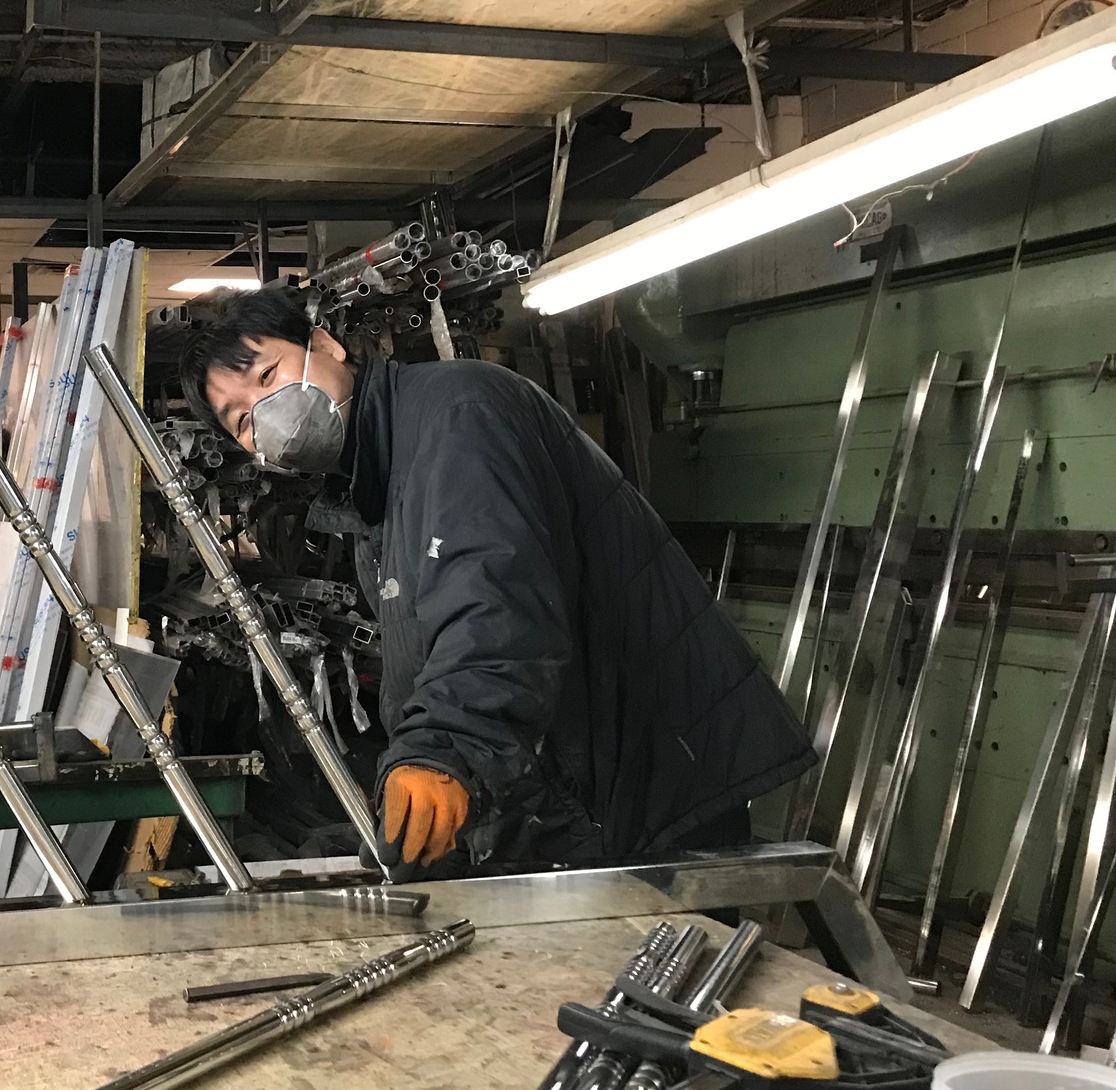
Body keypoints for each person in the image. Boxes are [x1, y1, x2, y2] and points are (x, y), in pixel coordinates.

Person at [179, 287, 813, 879]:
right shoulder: (377, 480)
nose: (267, 416)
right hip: (589, 780)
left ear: (326, 346)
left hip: (648, 784)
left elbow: (494, 604)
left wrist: (442, 745)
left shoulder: (458, 415)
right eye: (242, 422)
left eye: (268, 378)